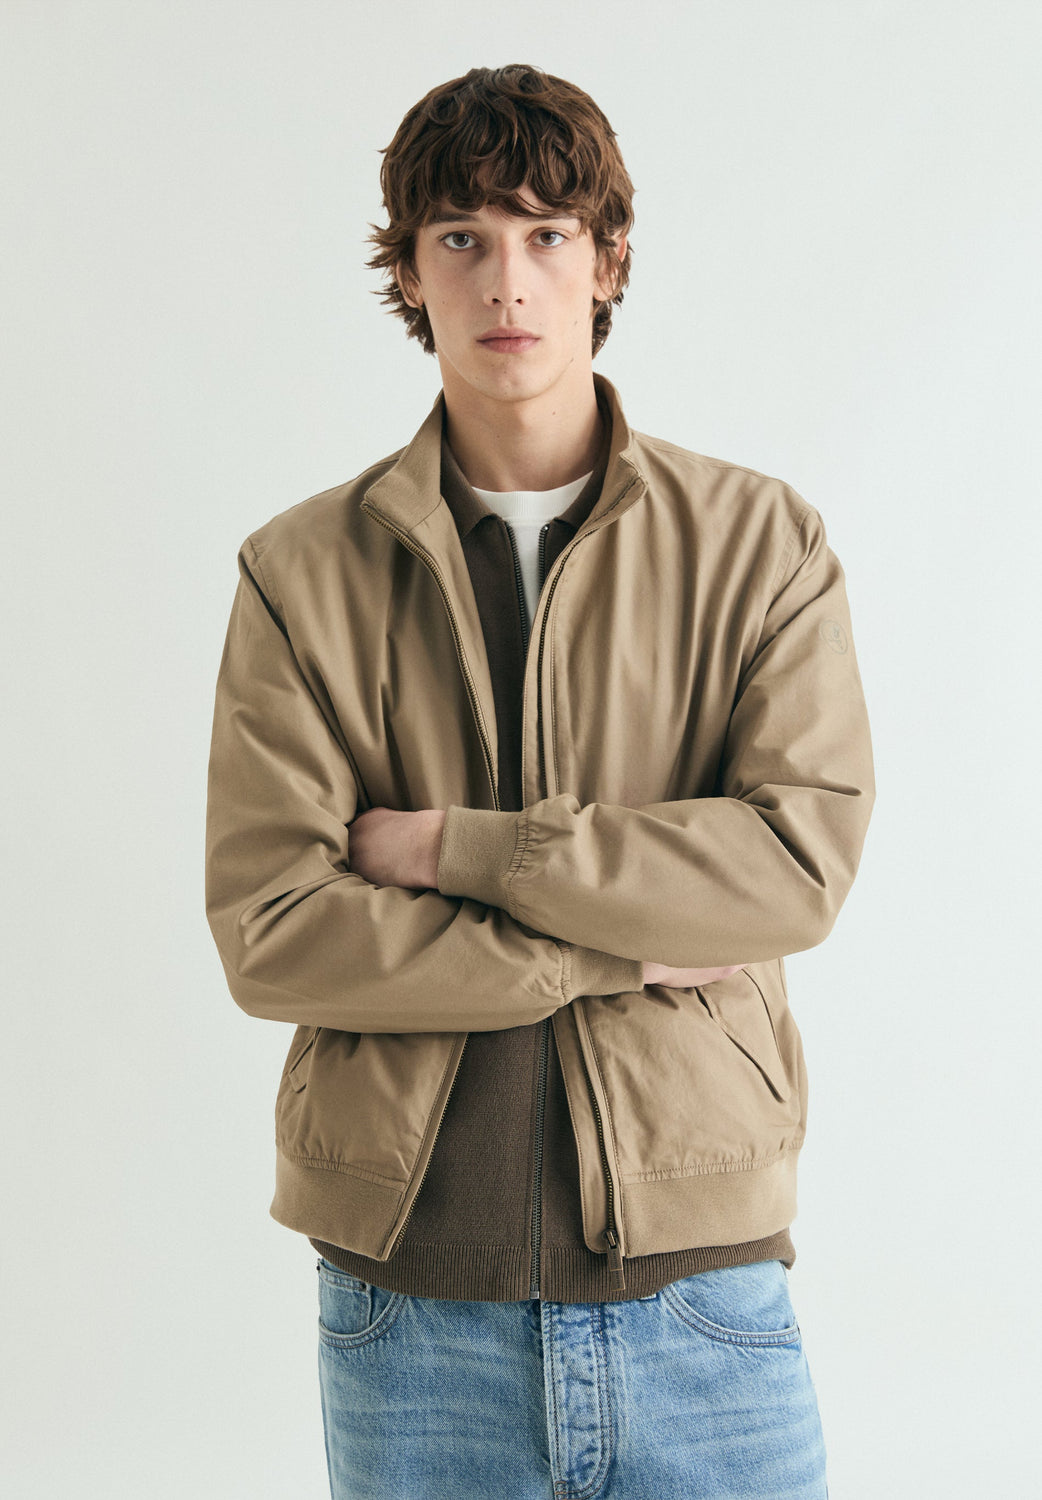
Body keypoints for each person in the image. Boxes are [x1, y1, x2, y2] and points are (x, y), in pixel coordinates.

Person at [205, 63, 874, 1499]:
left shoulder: (760, 544)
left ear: (607, 259)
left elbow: (792, 872)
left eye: (546, 234)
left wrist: (459, 849)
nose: (505, 280)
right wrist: (619, 948)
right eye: (460, 237)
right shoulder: (300, 572)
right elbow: (275, 932)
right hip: (408, 1306)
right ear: (408, 272)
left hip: (704, 1292)